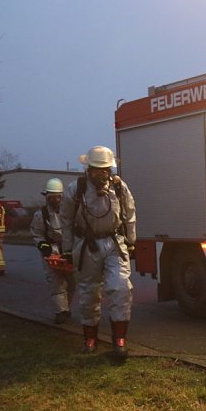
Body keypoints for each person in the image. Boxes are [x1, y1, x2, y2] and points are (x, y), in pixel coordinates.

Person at [60, 145, 136, 358]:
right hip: (87, 245)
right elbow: (66, 220)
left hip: (114, 243)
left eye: (105, 170)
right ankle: (90, 338)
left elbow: (129, 213)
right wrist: (67, 249)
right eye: (97, 170)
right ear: (88, 169)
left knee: (121, 288)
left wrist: (131, 241)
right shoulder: (76, 190)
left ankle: (119, 340)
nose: (101, 174)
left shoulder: (119, 188)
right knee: (89, 292)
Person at [30, 178, 76, 324]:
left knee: (72, 282)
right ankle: (60, 311)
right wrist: (43, 245)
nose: (55, 200)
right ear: (46, 197)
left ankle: (66, 307)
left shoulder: (70, 212)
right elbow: (36, 233)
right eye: (52, 197)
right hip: (52, 252)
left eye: (58, 197)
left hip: (69, 250)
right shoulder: (41, 215)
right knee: (55, 281)